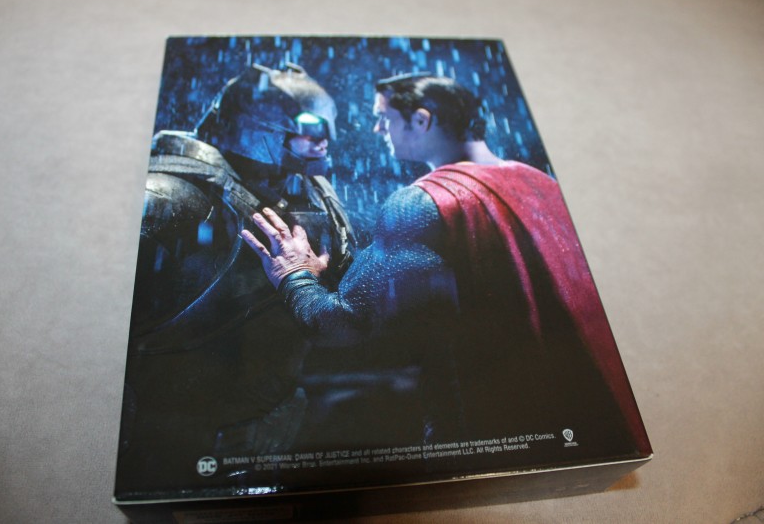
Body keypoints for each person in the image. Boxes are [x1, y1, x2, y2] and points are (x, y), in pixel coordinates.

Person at [242, 74, 649, 469]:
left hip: (493, 428)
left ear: (421, 120)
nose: (377, 128)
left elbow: (340, 325)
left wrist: (294, 274)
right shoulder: (541, 183)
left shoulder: (423, 203)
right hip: (584, 413)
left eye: (383, 117)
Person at [118, 64, 356, 490]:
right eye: (308, 127)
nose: (324, 141)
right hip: (174, 446)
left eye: (325, 127)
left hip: (270, 427)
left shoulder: (310, 193)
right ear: (258, 127)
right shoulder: (172, 202)